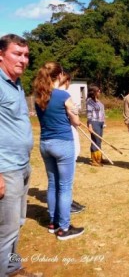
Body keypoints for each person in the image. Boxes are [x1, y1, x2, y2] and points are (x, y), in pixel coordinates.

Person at [0, 35, 40, 277]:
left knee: (18, 223)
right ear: (1, 54)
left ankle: (13, 267)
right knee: (6, 229)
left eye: (26, 55)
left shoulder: (16, 84)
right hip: (6, 168)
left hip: (23, 165)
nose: (23, 60)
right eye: (17, 54)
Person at [34, 61, 84, 241]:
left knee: (52, 184)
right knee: (64, 187)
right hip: (63, 143)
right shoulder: (64, 95)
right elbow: (76, 122)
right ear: (60, 75)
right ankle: (63, 228)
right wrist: (74, 114)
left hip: (45, 143)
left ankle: (53, 223)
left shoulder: (38, 96)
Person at [58, 72, 86, 215]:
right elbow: (74, 119)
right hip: (67, 136)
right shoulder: (64, 96)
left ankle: (68, 200)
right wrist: (77, 118)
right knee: (67, 175)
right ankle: (66, 203)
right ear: (67, 81)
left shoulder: (47, 95)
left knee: (60, 176)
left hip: (53, 139)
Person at [86, 85, 105, 166]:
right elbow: (89, 114)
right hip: (94, 122)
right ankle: (94, 160)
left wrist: (104, 122)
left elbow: (102, 112)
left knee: (99, 140)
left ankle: (99, 157)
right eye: (98, 91)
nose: (99, 92)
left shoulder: (98, 101)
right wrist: (90, 126)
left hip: (100, 122)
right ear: (93, 92)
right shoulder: (90, 102)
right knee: (95, 141)